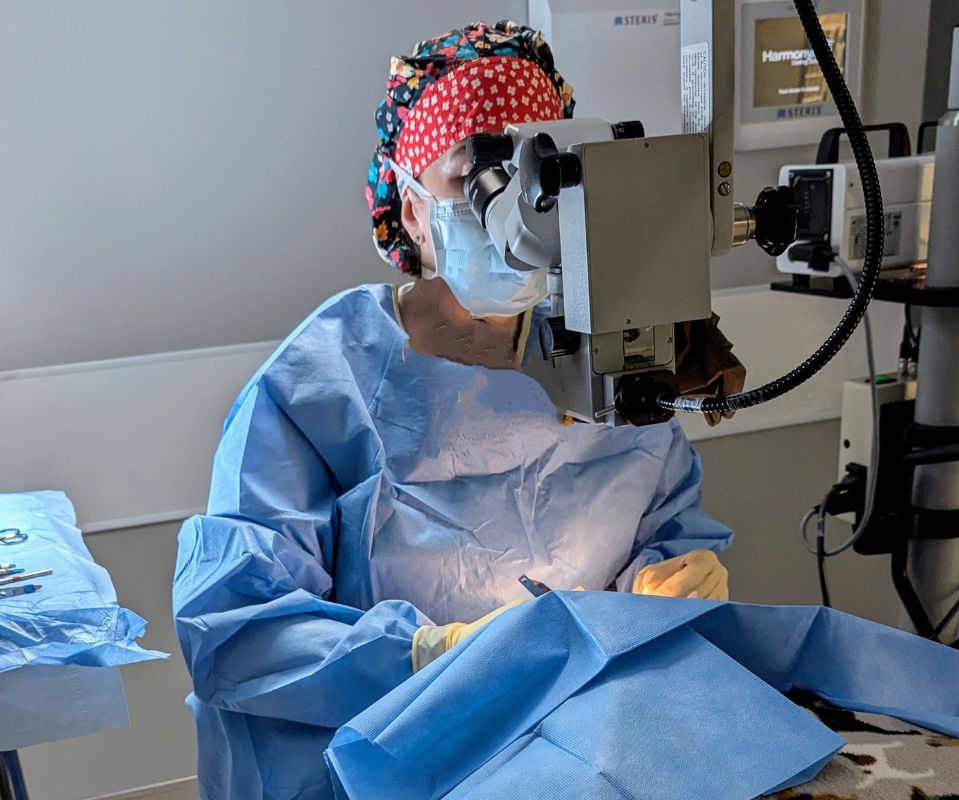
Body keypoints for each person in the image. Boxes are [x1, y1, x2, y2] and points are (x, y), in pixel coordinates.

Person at [173, 20, 743, 799]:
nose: (515, 217)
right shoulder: (326, 379)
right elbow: (236, 631)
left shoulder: (608, 343)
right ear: (410, 211)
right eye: (476, 182)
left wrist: (665, 574)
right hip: (383, 763)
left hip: (579, 749)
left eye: (538, 178)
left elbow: (659, 513)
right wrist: (425, 656)